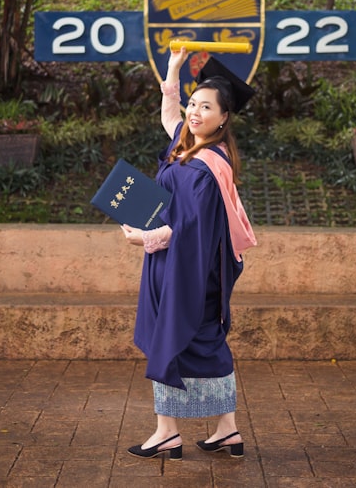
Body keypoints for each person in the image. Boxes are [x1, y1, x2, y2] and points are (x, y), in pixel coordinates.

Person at [121, 46, 258, 461]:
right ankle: (227, 431)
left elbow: (188, 231)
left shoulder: (207, 167)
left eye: (205, 107)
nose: (194, 112)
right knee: (205, 342)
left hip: (190, 269)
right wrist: (174, 68)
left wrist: (145, 239)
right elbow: (169, 117)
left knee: (177, 339)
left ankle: (167, 433)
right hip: (180, 266)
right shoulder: (189, 147)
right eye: (193, 104)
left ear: (224, 117)